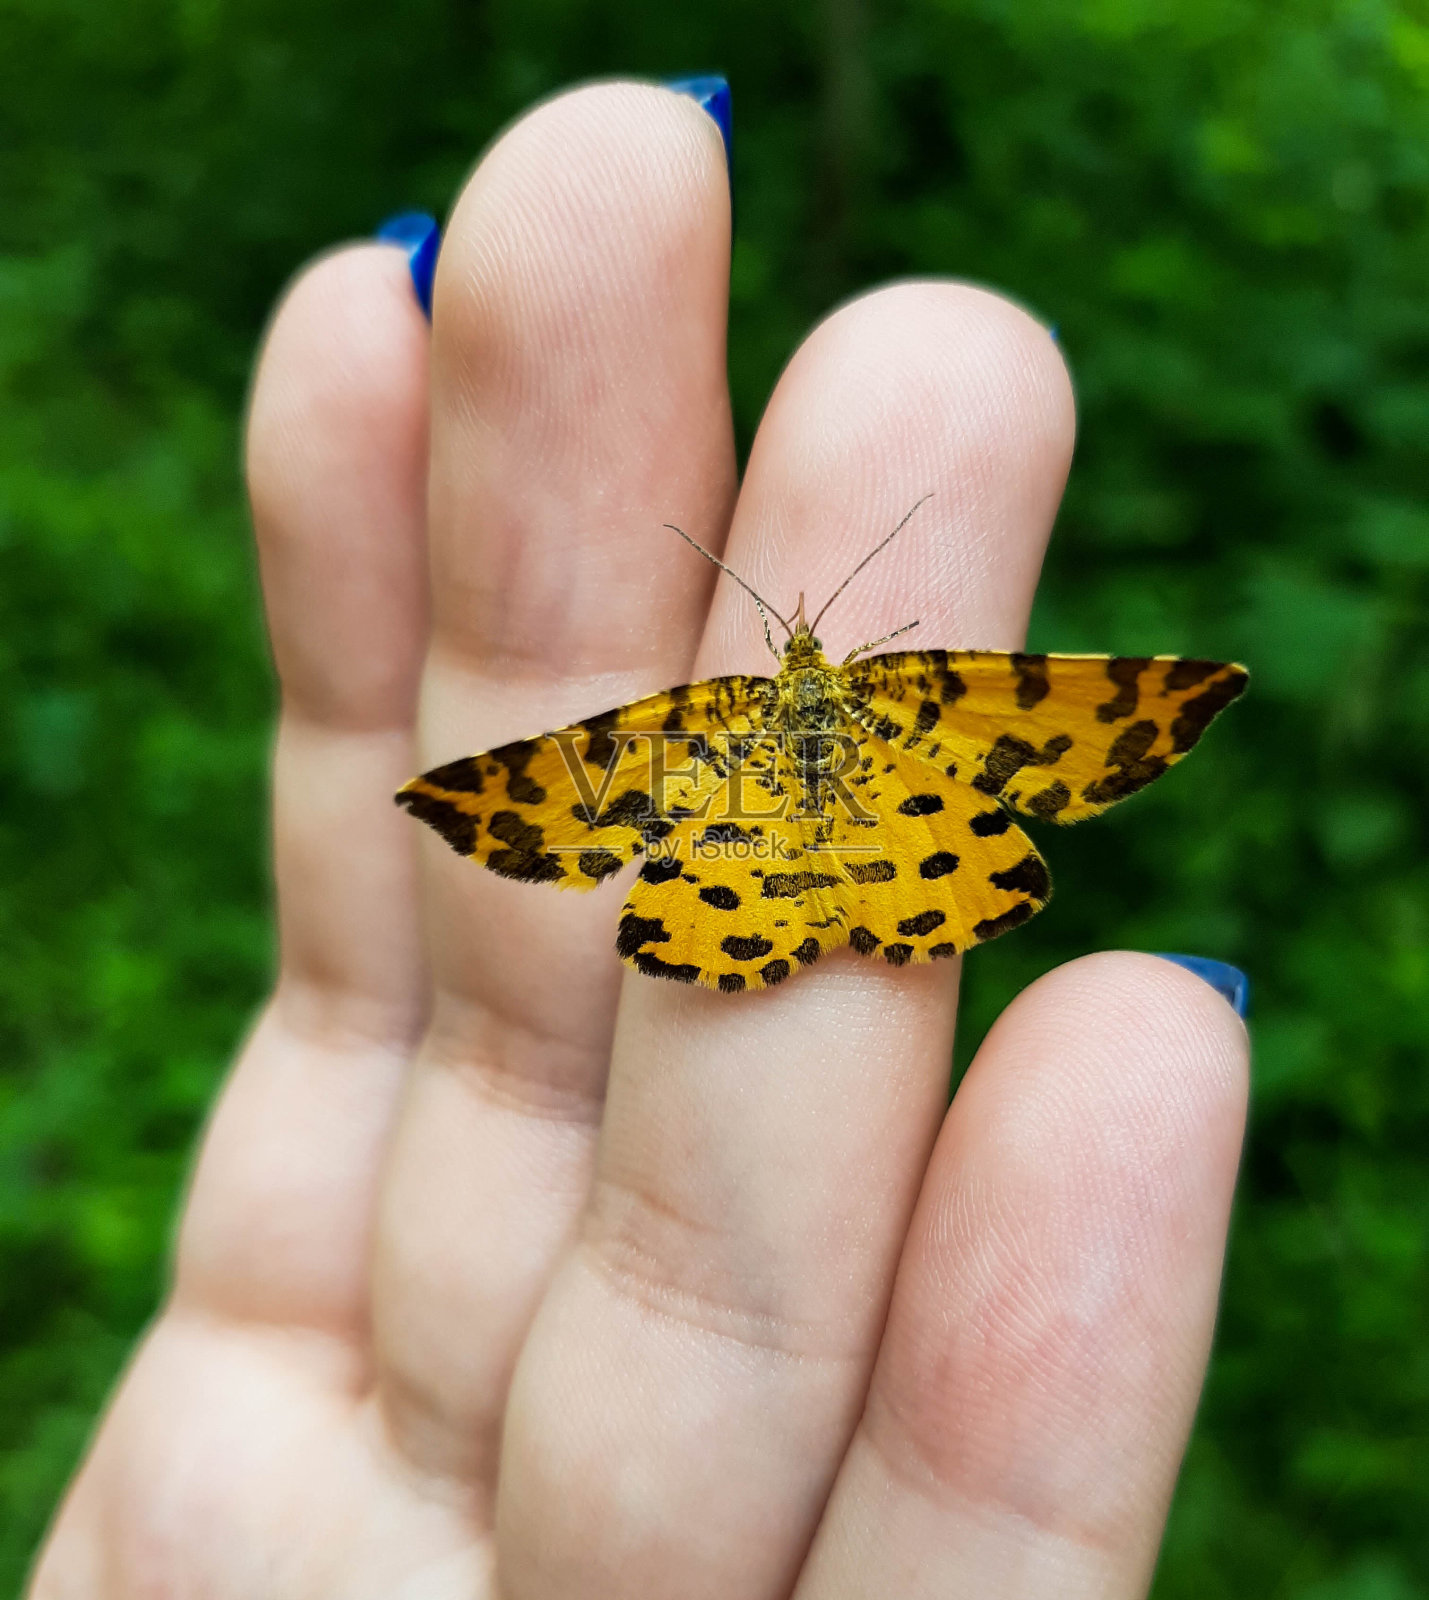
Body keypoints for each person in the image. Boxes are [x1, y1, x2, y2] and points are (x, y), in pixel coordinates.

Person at [28, 79, 1249, 1600]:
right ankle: (880, 891)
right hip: (900, 815)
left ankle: (822, 897)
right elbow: (1079, 727)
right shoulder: (915, 698)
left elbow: (563, 790)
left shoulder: (712, 718)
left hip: (733, 824)